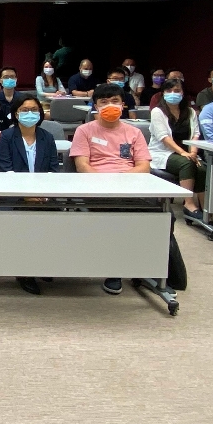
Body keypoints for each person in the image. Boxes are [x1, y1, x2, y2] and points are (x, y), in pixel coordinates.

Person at [70, 83, 152, 295]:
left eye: (115, 101)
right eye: (104, 102)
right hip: (97, 188)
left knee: (159, 216)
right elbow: (82, 166)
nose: (110, 106)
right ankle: (115, 269)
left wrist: (122, 181)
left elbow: (143, 166)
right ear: (95, 106)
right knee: (117, 217)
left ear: (123, 105)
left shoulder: (134, 132)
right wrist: (106, 184)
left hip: (130, 186)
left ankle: (149, 266)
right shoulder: (84, 131)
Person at [0, 94, 62, 294]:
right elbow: (6, 170)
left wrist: (44, 194)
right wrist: (25, 195)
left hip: (43, 195)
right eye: (24, 110)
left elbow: (53, 170)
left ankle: (42, 263)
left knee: (56, 221)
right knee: (26, 223)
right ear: (16, 114)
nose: (30, 113)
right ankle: (25, 271)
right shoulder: (7, 137)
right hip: (15, 195)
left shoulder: (47, 137)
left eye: (34, 110)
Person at [149, 79, 205, 216]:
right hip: (163, 153)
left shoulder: (190, 112)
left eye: (177, 90)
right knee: (186, 163)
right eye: (169, 91)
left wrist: (193, 152)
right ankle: (189, 204)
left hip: (187, 152)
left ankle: (205, 209)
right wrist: (183, 153)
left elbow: (195, 134)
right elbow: (164, 137)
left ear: (183, 93)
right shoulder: (157, 112)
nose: (173, 93)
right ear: (163, 93)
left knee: (202, 168)